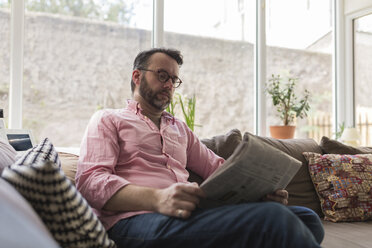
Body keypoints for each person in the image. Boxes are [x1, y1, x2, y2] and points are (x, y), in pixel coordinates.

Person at [76, 48, 324, 248]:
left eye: (174, 80)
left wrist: (262, 190)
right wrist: (158, 198)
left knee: (306, 218)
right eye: (162, 75)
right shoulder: (108, 119)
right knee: (276, 220)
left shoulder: (179, 129)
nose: (169, 85)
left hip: (186, 215)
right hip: (133, 221)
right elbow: (90, 182)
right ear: (137, 77)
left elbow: (217, 168)